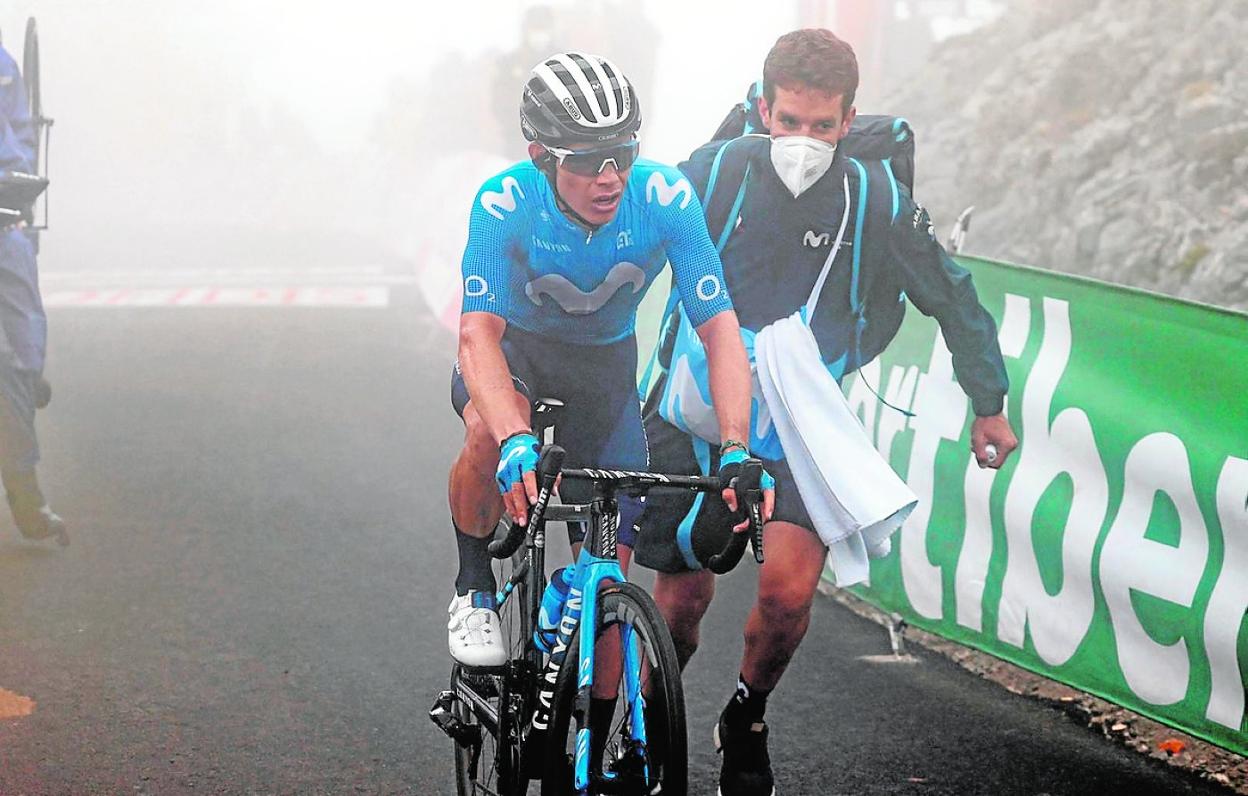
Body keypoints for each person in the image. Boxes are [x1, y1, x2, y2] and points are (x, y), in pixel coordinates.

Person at [634, 29, 1019, 796]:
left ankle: (746, 716)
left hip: (794, 424)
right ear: (762, 111)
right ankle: (653, 718)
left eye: (822, 126)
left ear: (849, 122)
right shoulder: (713, 174)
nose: (803, 141)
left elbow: (950, 293)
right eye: (788, 122)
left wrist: (990, 402)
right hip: (688, 406)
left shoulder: (875, 199)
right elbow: (623, 263)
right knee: (681, 602)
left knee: (786, 596)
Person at [446, 51, 770, 670]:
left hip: (605, 374)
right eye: (589, 161)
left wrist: (735, 447)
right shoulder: (504, 202)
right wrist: (516, 439)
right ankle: (473, 585)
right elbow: (476, 337)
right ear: (543, 157)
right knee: (489, 430)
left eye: (623, 154)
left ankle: (602, 754)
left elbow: (722, 330)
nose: (611, 177)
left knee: (606, 594)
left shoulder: (665, 197)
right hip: (515, 355)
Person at [0, 42, 62, 543]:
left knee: (19, 353)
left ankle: (25, 489)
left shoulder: (3, 64)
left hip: (3, 214)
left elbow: (20, 132)